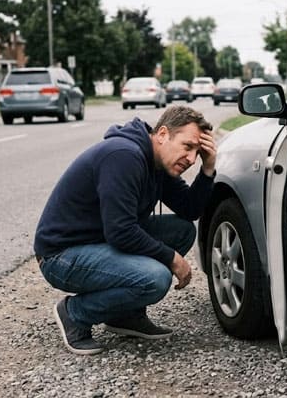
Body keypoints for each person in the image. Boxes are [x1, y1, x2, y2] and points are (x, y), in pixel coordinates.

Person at [34, 105, 217, 355]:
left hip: (99, 241)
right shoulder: (124, 156)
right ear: (163, 134)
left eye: (198, 152)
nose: (191, 159)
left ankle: (124, 315)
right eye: (188, 147)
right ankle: (75, 313)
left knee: (181, 231)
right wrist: (171, 258)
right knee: (155, 278)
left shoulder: (158, 163)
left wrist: (208, 169)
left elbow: (189, 209)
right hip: (61, 255)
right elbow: (120, 231)